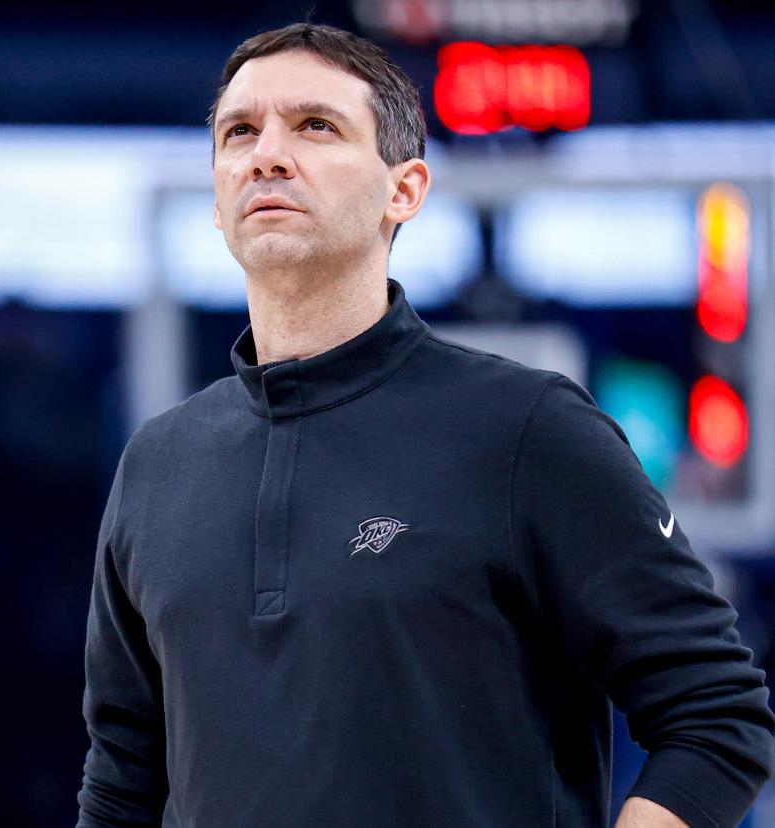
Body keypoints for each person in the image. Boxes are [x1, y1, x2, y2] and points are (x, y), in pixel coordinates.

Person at [75, 22, 774, 828]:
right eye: (240, 132)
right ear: (219, 194)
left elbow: (719, 716)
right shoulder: (158, 464)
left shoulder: (528, 430)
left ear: (403, 189)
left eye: (315, 126)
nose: (266, 154)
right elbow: (122, 779)